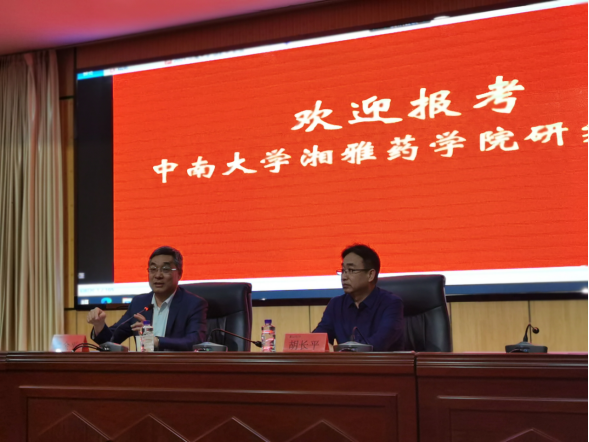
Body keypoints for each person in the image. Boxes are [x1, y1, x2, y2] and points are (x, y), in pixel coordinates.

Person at [87, 246, 208, 351]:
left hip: (177, 367)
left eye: (165, 269)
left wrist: (156, 341)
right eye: (153, 269)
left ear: (180, 273)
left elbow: (195, 342)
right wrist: (99, 325)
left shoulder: (193, 304)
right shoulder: (139, 303)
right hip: (144, 367)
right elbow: (112, 340)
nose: (158, 275)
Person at [313, 244, 405, 351]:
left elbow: (379, 344)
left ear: (370, 275)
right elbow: (317, 340)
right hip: (345, 361)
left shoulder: (391, 304)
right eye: (343, 270)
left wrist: (340, 351)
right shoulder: (336, 305)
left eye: (351, 270)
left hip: (380, 362)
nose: (344, 277)